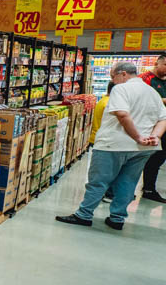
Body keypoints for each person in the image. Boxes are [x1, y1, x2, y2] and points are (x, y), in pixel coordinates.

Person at [56, 61, 166, 230]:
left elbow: (122, 114)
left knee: (98, 181)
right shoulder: (152, 92)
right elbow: (163, 119)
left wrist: (136, 137)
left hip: (114, 144)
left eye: (113, 76)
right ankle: (117, 218)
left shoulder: (121, 89)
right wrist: (155, 137)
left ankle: (84, 215)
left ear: (123, 74)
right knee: (128, 182)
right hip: (143, 148)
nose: (113, 81)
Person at [139, 54, 166, 202]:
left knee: (159, 158)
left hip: (163, 126)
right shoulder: (145, 79)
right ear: (157, 64)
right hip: (150, 126)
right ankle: (147, 188)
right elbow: (142, 99)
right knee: (146, 157)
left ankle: (149, 188)